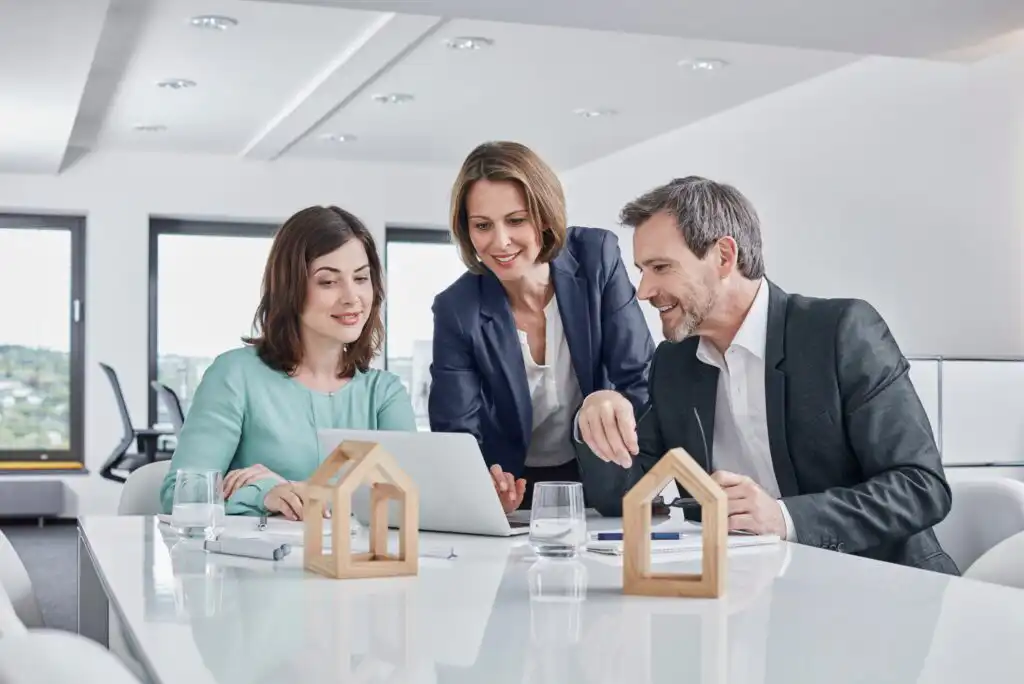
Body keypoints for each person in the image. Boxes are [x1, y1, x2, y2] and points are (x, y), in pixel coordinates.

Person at [574, 176, 958, 574]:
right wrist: (596, 416)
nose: (644, 290)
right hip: (753, 596)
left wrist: (784, 518)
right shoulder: (675, 363)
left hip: (887, 590)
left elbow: (920, 487)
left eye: (660, 267)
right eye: (642, 270)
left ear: (724, 256)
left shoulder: (841, 332)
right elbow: (625, 496)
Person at [429, 141, 654, 512]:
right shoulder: (456, 309)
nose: (500, 242)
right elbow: (457, 433)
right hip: (512, 488)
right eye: (482, 225)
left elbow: (640, 378)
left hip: (601, 474)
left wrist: (614, 408)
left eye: (516, 221)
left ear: (545, 216)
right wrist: (483, 482)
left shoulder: (598, 257)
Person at [159, 206, 416, 519]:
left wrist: (293, 488)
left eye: (361, 278)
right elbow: (180, 493)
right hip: (255, 565)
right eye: (328, 282)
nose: (352, 297)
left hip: (357, 567)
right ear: (290, 288)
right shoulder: (234, 376)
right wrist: (267, 493)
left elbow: (404, 502)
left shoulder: (384, 394)